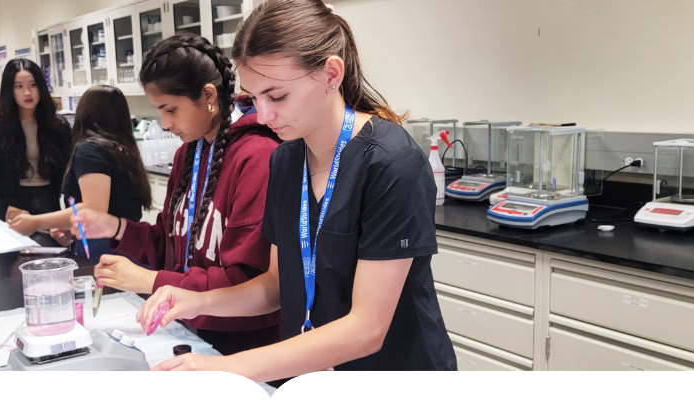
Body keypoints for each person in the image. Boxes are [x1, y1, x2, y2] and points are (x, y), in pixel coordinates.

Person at [132, 0, 457, 381]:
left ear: (331, 73)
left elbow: (367, 328)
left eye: (277, 96)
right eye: (254, 98)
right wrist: (197, 301)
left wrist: (228, 367)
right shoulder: (285, 161)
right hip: (312, 377)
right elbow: (275, 286)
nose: (264, 115)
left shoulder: (391, 164)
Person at [70, 34, 281, 355]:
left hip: (241, 346)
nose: (166, 123)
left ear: (208, 96)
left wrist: (151, 281)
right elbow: (170, 247)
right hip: (186, 328)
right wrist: (116, 227)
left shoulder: (257, 157)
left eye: (171, 109)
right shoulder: (188, 154)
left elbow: (249, 283)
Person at [8, 85, 151, 261]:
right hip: (126, 241)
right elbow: (113, 206)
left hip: (103, 245)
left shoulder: (90, 150)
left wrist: (35, 222)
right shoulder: (123, 150)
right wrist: (72, 228)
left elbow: (94, 210)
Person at [0, 58, 72, 218]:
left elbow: (67, 173)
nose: (27, 92)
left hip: (49, 198)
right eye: (18, 86)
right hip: (12, 203)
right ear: (9, 90)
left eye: (33, 85)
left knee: (48, 241)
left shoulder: (58, 126)